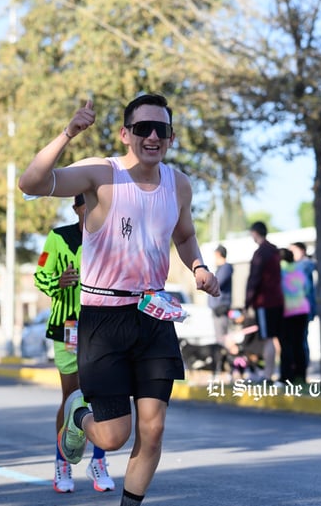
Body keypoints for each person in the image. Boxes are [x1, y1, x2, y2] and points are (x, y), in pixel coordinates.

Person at [19, 93, 220, 506]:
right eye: (142, 128)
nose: (152, 136)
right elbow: (31, 183)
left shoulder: (179, 183)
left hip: (154, 313)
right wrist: (68, 133)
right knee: (113, 437)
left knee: (154, 429)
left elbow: (184, 235)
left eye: (160, 130)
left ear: (171, 137)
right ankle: (78, 413)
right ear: (125, 134)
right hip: (104, 318)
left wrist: (198, 266)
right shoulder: (101, 173)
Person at [34, 193, 114, 494]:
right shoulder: (58, 238)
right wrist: (59, 282)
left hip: (103, 328)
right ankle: (63, 462)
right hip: (68, 327)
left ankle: (99, 460)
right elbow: (40, 276)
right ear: (77, 208)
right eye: (87, 205)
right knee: (72, 397)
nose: (92, 210)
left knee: (102, 396)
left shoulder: (110, 238)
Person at [244, 221, 284, 383]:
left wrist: (248, 302)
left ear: (255, 233)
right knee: (276, 338)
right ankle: (274, 372)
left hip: (265, 302)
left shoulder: (261, 253)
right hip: (278, 300)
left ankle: (268, 374)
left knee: (268, 338)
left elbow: (254, 279)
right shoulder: (275, 252)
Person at [278, 248, 309, 383]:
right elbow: (306, 288)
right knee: (299, 344)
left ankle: (286, 376)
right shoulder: (299, 270)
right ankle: (301, 375)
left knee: (286, 345)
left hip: (287, 312)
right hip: (302, 310)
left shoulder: (280, 271)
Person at [207, 245, 233, 346]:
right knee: (220, 337)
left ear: (218, 254)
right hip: (217, 309)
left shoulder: (226, 268)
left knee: (222, 339)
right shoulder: (221, 269)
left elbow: (218, 283)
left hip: (221, 308)